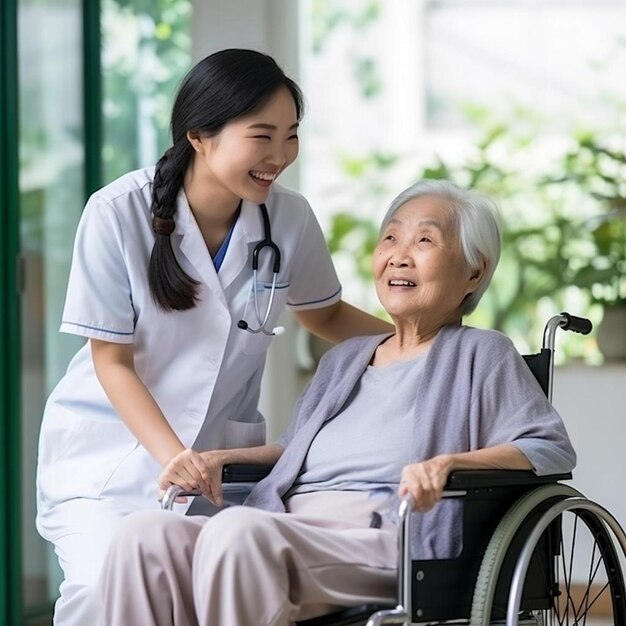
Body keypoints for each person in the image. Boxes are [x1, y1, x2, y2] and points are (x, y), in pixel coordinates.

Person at [98, 179, 577, 626]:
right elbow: (294, 449)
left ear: (475, 271)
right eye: (390, 239)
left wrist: (448, 464)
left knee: (237, 534)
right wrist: (220, 459)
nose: (399, 257)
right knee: (143, 536)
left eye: (425, 241)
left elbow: (548, 447)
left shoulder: (481, 353)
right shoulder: (346, 358)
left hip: (386, 535)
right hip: (288, 523)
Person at [35, 48, 392, 626]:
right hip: (110, 463)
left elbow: (325, 317)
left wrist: (437, 338)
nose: (280, 156)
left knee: (208, 598)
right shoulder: (115, 213)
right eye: (262, 136)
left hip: (218, 469)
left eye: (291, 136)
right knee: (102, 598)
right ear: (200, 135)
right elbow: (112, 362)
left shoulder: (289, 219)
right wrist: (172, 456)